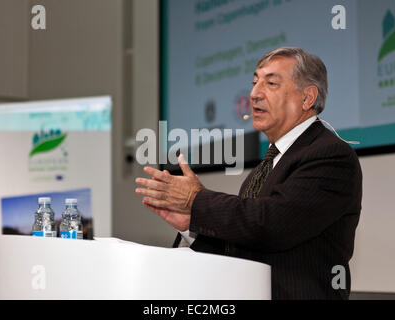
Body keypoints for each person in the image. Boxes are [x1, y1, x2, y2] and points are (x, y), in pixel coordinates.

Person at [135, 47, 362, 300]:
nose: (254, 94)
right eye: (254, 83)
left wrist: (195, 200)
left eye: (271, 83)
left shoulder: (330, 155)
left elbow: (271, 225)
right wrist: (191, 225)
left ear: (307, 98)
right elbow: (245, 250)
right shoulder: (266, 166)